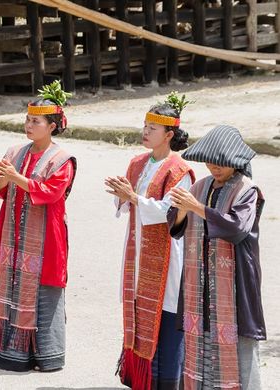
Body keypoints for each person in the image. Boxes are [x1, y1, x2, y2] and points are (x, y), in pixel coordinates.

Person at [0, 80, 76, 372]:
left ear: (52, 126)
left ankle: (47, 355)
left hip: (46, 237)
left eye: (35, 121)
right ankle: (7, 352)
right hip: (14, 232)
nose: (28, 125)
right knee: (10, 286)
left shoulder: (63, 159)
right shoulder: (14, 152)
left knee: (44, 292)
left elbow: (50, 193)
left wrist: (16, 178)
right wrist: (4, 177)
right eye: (27, 119)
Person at [167, 125, 265, 390]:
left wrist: (195, 207)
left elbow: (236, 228)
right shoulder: (199, 187)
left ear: (235, 161)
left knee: (239, 343)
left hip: (234, 282)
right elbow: (175, 225)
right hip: (198, 282)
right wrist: (182, 210)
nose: (214, 167)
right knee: (200, 335)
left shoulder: (247, 190)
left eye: (220, 163)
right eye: (209, 162)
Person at [108, 92, 194, 390]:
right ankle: (139, 377)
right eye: (144, 125)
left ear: (169, 134)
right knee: (137, 306)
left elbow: (169, 212)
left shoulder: (179, 170)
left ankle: (166, 380)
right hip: (137, 250)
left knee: (167, 313)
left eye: (152, 128)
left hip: (167, 254)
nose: (145, 132)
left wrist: (133, 197)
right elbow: (128, 207)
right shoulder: (137, 163)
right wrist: (124, 198)